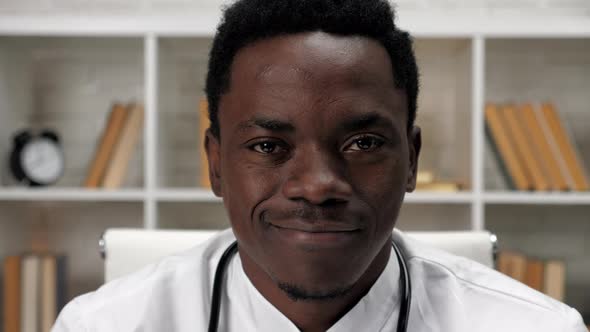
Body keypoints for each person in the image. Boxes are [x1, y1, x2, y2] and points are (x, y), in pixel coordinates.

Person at [53, 0, 586, 331]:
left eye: (363, 142)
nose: (318, 186)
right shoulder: (105, 325)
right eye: (267, 146)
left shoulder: (534, 328)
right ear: (215, 165)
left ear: (411, 161)